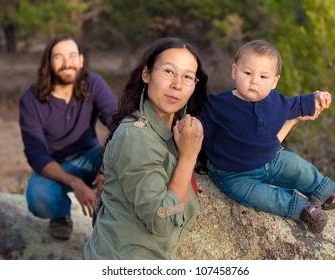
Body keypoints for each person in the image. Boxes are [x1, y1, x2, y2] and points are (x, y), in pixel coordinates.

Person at [197, 39, 335, 234]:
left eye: (264, 76)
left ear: (274, 81)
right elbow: (199, 130)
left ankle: (327, 194)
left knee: (297, 166)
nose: (254, 80)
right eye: (247, 73)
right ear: (234, 71)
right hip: (233, 174)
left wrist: (317, 99)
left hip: (272, 159)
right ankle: (305, 209)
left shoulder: (276, 101)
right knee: (263, 197)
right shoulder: (218, 105)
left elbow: (297, 105)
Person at [83, 37, 208, 259]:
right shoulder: (136, 136)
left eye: (187, 76)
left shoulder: (175, 130)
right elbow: (163, 220)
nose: (177, 84)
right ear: (146, 74)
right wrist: (188, 157)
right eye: (168, 71)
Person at [19, 34, 118, 240]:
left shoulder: (94, 83)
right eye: (59, 57)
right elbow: (35, 154)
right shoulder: (30, 99)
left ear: (81, 60)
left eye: (72, 55)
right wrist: (75, 183)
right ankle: (61, 213)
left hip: (90, 158)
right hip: (53, 164)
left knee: (125, 156)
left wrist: (105, 167)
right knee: (39, 200)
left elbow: (118, 124)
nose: (67, 63)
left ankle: (111, 214)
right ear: (49, 62)